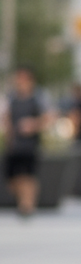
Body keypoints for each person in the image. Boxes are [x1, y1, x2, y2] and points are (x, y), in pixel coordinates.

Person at [3, 66, 45, 217]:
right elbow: (7, 119)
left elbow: (47, 118)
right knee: (13, 179)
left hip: (30, 145)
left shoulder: (37, 99)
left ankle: (27, 206)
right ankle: (23, 202)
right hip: (15, 145)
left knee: (28, 176)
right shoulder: (12, 98)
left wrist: (32, 125)